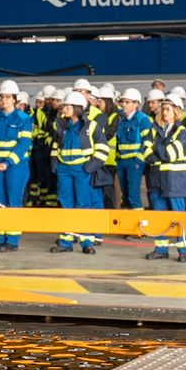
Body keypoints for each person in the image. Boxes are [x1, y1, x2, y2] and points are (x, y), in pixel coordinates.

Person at [50, 91, 108, 254]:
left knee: (83, 206)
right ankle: (66, 241)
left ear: (78, 108)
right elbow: (55, 147)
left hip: (82, 171)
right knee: (66, 205)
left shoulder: (92, 126)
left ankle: (87, 242)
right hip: (64, 171)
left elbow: (103, 150)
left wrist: (88, 168)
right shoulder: (61, 126)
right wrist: (55, 165)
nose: (64, 110)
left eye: (67, 107)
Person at [0, 79, 33, 251]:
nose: (4, 100)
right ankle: (1, 237)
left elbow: (24, 144)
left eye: (7, 97)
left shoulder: (24, 119)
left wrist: (8, 162)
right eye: (2, 97)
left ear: (14, 99)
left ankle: (12, 241)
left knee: (13, 201)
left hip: (16, 167)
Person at [146, 94, 186, 262]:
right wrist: (158, 151)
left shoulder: (182, 132)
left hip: (175, 181)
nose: (164, 112)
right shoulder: (154, 129)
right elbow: (145, 151)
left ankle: (183, 251)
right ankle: (161, 249)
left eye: (168, 109)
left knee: (179, 216)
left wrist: (157, 148)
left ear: (176, 111)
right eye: (163, 109)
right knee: (160, 216)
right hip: (157, 180)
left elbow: (170, 155)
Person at [116, 89, 152, 210]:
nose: (124, 104)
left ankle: (137, 224)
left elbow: (147, 142)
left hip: (134, 162)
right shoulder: (122, 121)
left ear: (136, 104)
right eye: (123, 102)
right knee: (125, 196)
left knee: (133, 196)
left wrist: (138, 161)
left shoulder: (143, 119)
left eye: (127, 102)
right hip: (122, 162)